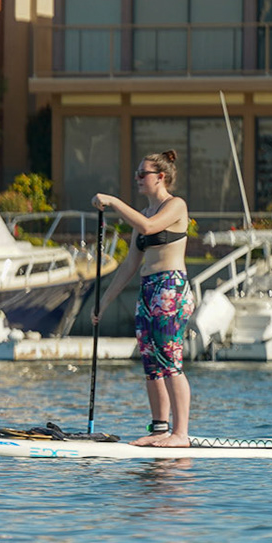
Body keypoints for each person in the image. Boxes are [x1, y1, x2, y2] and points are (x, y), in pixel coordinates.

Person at [93, 151, 195, 447]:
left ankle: (181, 434)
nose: (138, 179)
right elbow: (129, 265)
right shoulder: (145, 214)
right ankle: (161, 429)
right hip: (148, 288)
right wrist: (104, 302)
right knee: (151, 362)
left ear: (160, 177)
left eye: (143, 174)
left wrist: (113, 202)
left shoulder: (175, 206)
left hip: (171, 288)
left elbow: (150, 229)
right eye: (137, 174)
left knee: (171, 359)